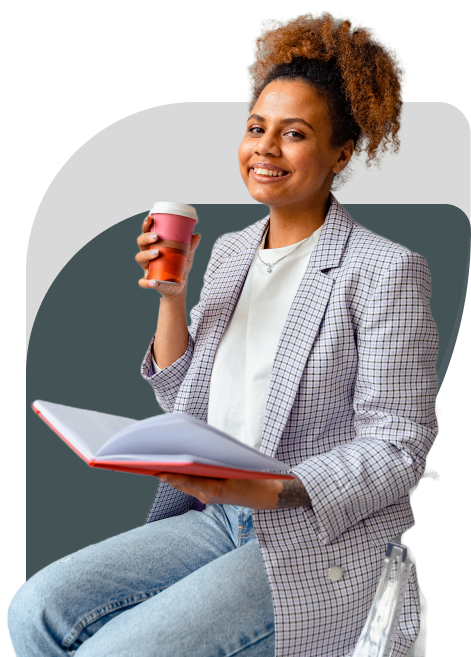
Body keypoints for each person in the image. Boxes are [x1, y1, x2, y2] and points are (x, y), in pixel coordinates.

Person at [9, 11, 439, 657]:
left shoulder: (384, 269)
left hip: (314, 536)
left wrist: (272, 488)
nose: (264, 147)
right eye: (255, 127)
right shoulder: (234, 252)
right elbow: (185, 399)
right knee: (34, 609)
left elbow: (400, 445)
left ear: (340, 153)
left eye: (293, 133)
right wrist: (171, 298)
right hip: (217, 518)